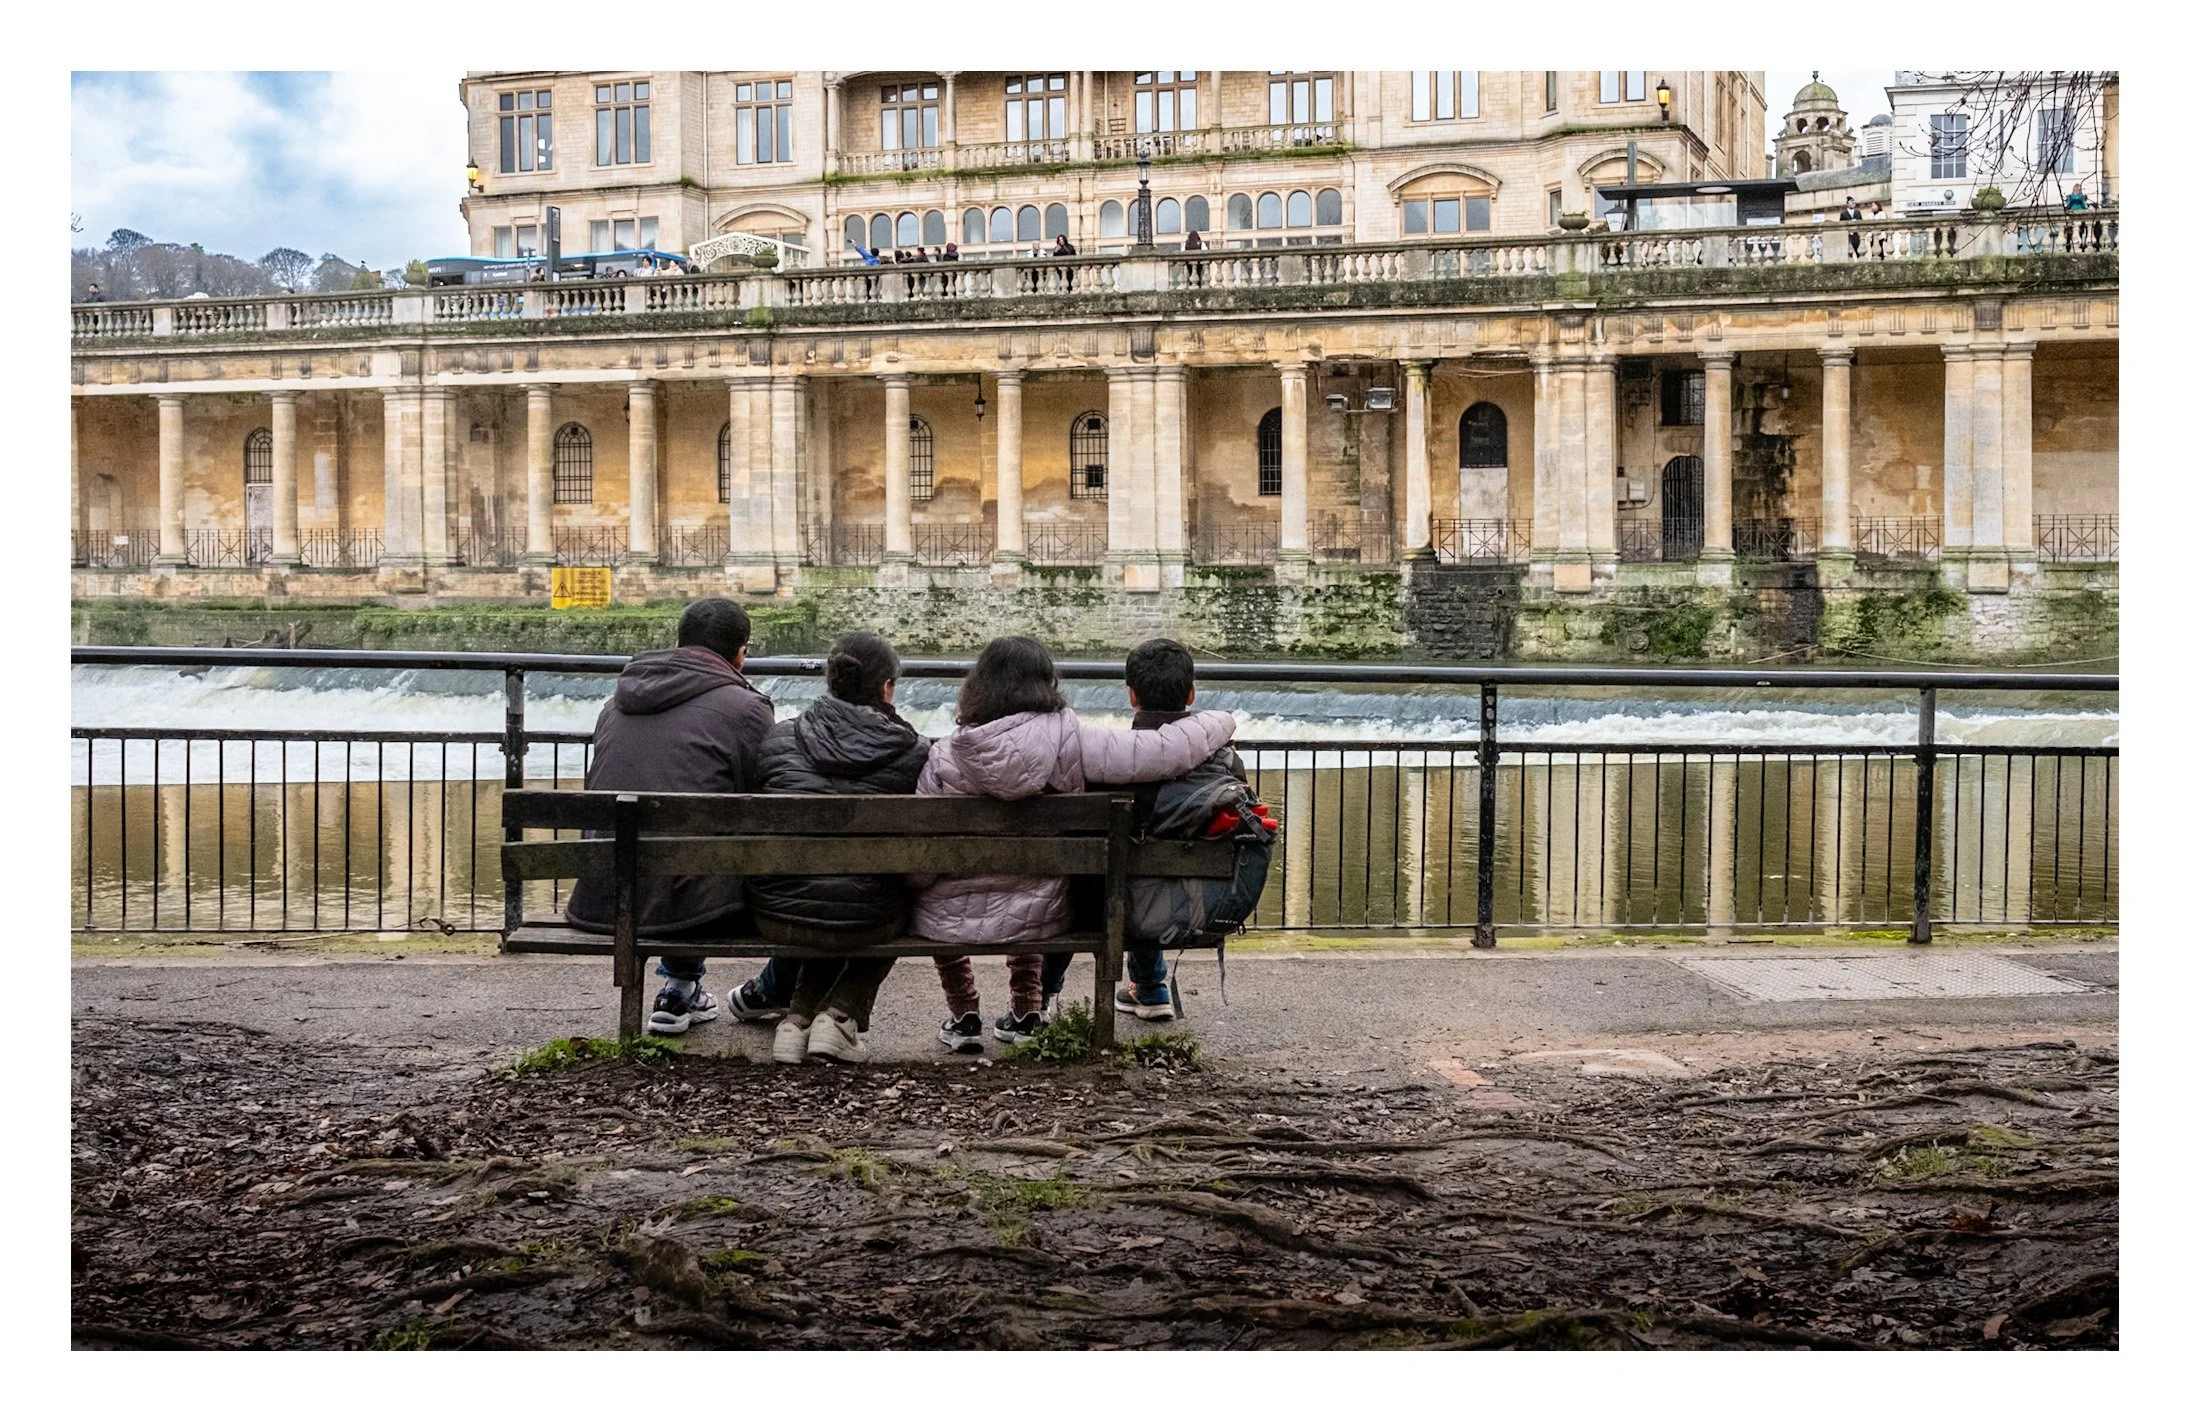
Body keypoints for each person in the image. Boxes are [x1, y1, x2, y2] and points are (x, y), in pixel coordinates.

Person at [912, 636, 1236, 1052]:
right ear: (1047, 684)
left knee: (937, 899)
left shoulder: (944, 755)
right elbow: (1160, 750)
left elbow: (920, 855)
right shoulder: (1071, 740)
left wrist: (916, 884)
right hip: (1042, 909)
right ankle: (1027, 1012)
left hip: (948, 918)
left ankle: (963, 1016)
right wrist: (1220, 720)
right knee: (1034, 885)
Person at [564, 598, 788, 1035]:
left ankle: (678, 988)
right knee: (735, 857)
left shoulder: (614, 705)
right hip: (692, 905)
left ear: (677, 644)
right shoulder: (747, 709)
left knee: (679, 848)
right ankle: (767, 989)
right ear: (742, 653)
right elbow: (761, 799)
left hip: (603, 896)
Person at [747, 633, 929, 1065]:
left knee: (832, 890)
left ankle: (796, 1023)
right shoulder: (913, 752)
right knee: (885, 897)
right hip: (867, 919)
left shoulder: (779, 740)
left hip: (777, 914)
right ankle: (842, 1014)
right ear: (887, 688)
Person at [1084, 639, 1276, 1022]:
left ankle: (1038, 1004)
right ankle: (1150, 987)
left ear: (1131, 695)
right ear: (1191, 694)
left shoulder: (1118, 762)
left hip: (1122, 907)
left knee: (1126, 868)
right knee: (1149, 868)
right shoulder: (1224, 760)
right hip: (1196, 905)